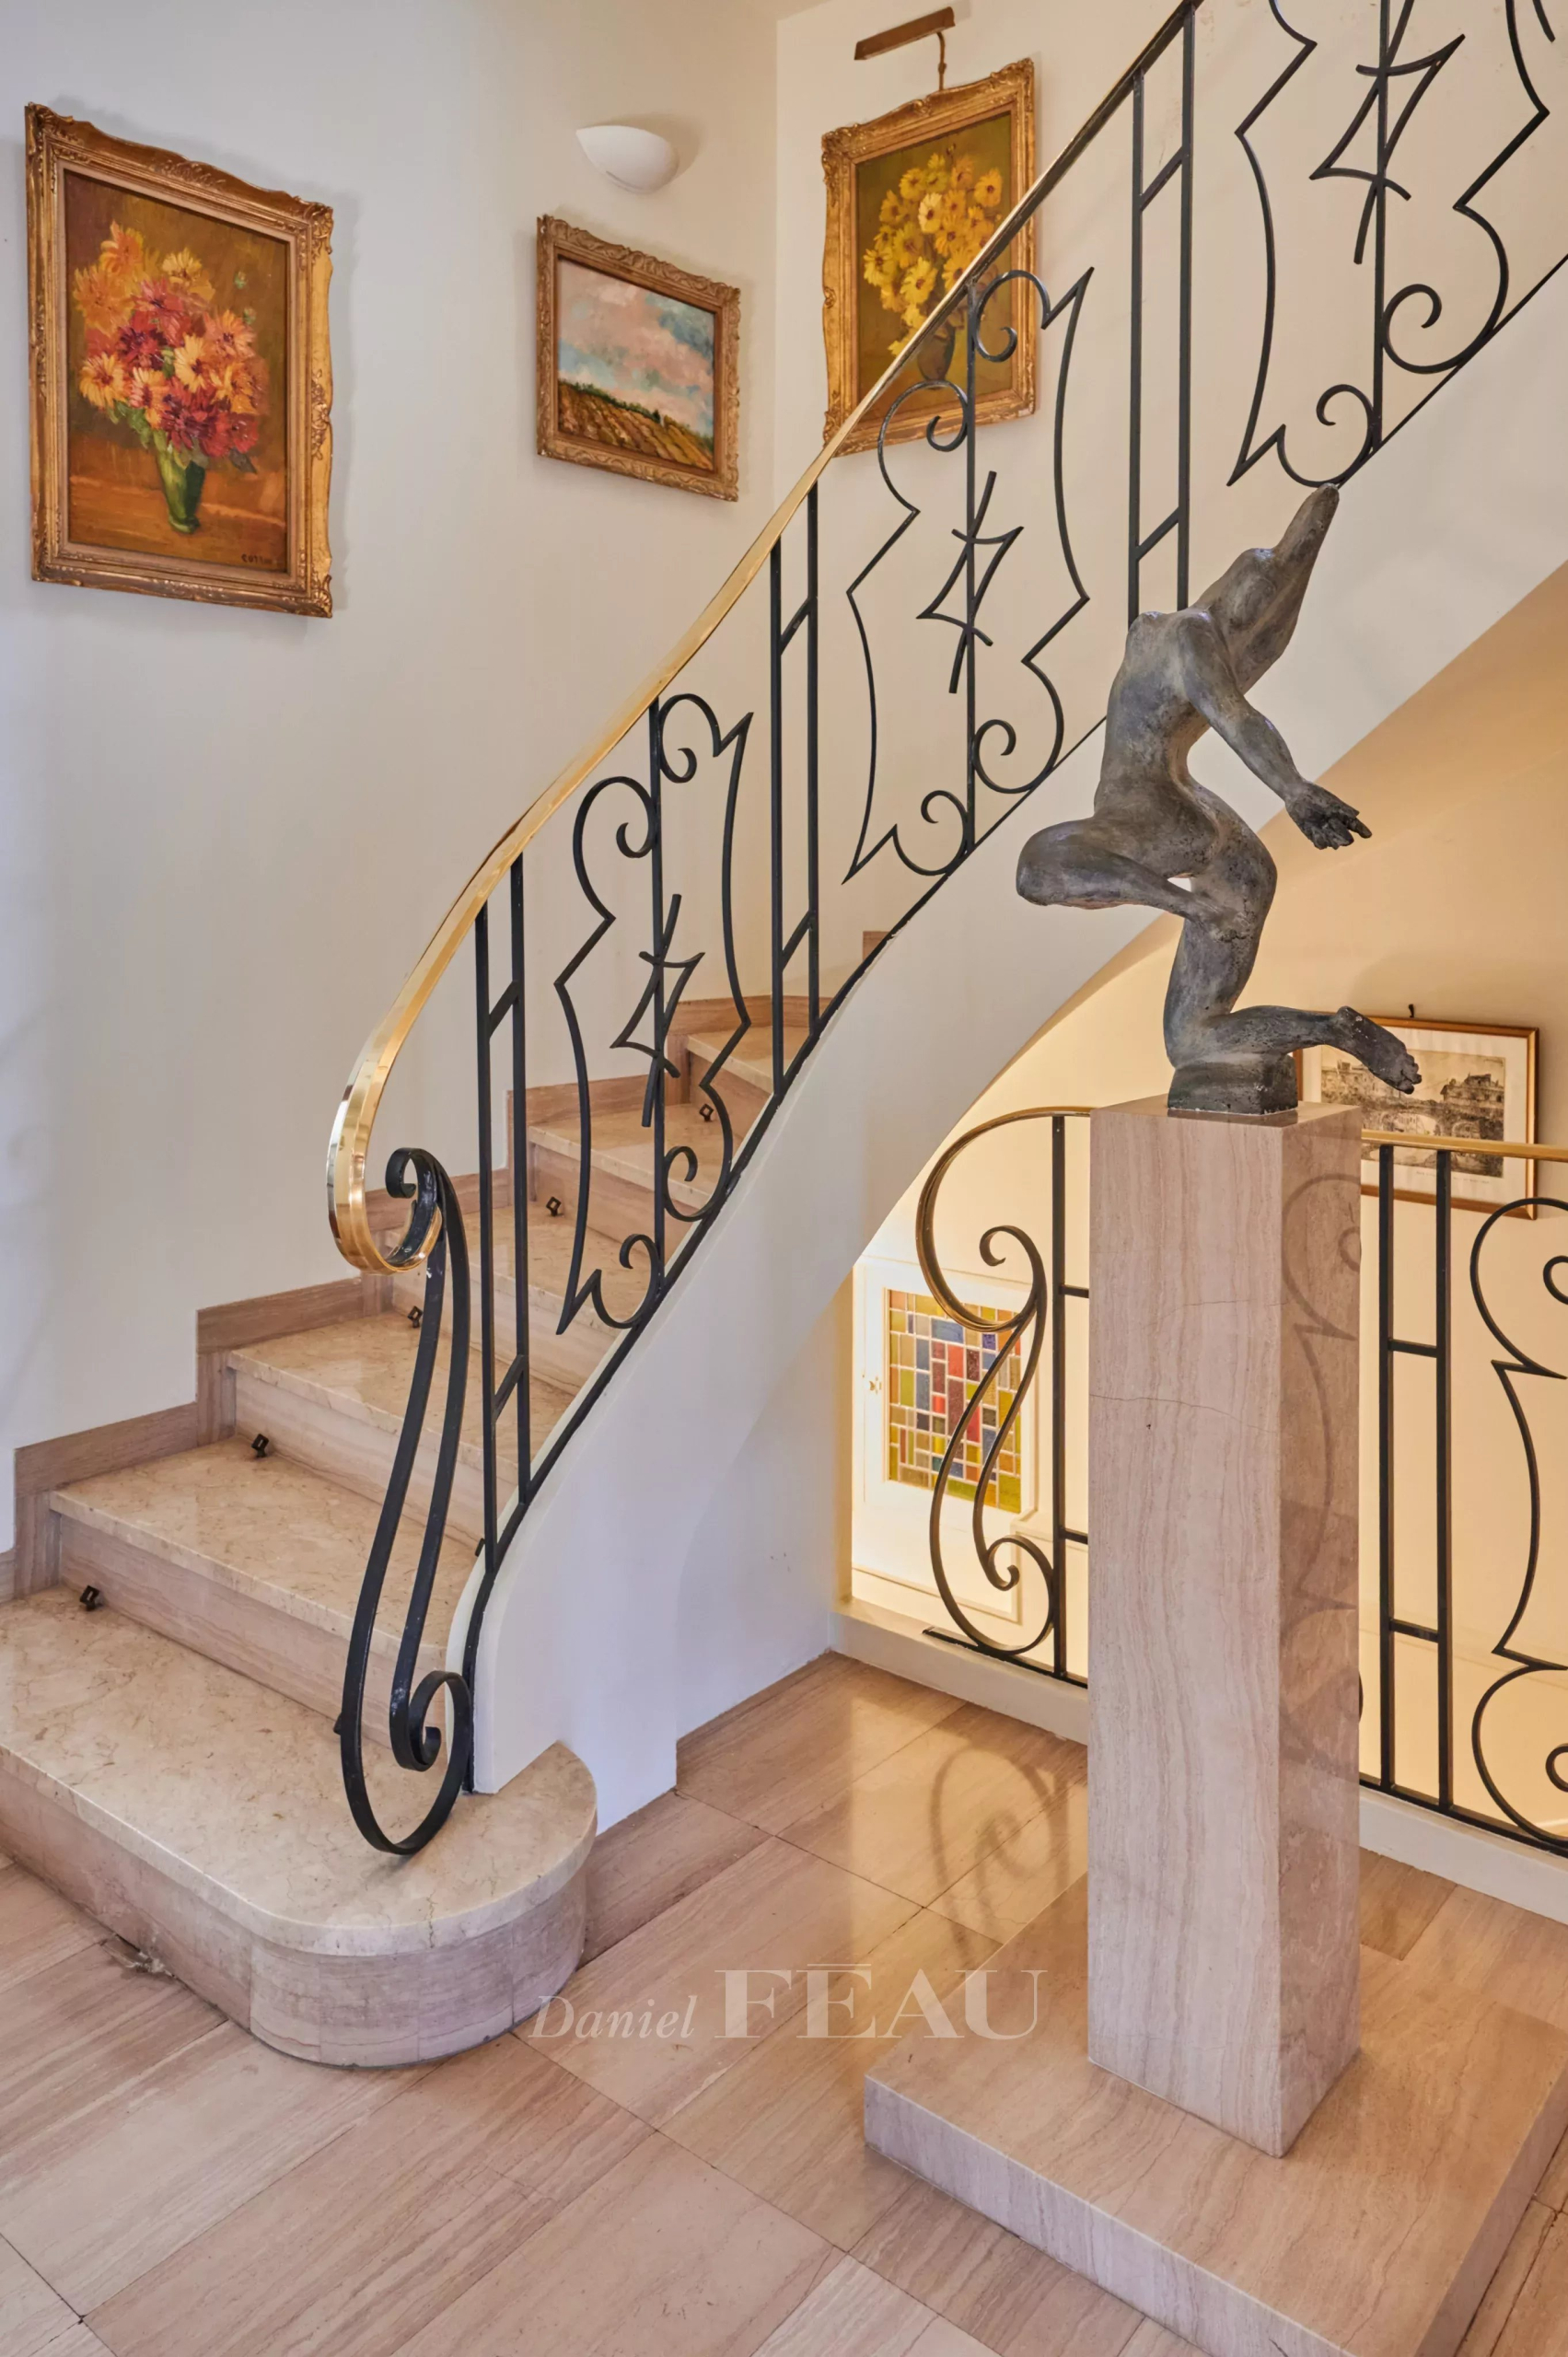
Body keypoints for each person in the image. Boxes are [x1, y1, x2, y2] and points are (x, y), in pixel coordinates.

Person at [1016, 484, 1420, 1112]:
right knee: (1192, 1040)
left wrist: (1292, 791)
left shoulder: (1164, 633)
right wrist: (1290, 791)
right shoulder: (1186, 635)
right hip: (1223, 842)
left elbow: (1236, 718)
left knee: (1035, 869)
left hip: (1158, 816)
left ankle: (1197, 911)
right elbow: (1234, 712)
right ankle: (1335, 1029)